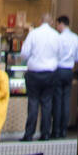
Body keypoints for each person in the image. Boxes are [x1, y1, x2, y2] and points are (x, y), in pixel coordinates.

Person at [20, 12, 59, 140]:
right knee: (47, 103)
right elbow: (60, 54)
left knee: (33, 102)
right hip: (50, 72)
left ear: (40, 21)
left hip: (34, 72)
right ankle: (45, 133)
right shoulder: (56, 35)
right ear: (51, 22)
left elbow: (24, 53)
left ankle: (29, 134)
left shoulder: (33, 34)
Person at [52, 15, 78, 139]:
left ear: (61, 24)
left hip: (58, 70)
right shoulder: (75, 38)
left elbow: (54, 54)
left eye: (57, 24)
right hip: (69, 70)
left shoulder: (58, 38)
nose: (56, 27)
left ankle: (56, 130)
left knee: (57, 100)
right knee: (66, 101)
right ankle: (64, 129)